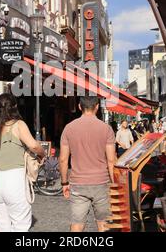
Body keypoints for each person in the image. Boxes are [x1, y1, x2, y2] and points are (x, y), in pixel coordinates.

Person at [0, 93, 46, 232]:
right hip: (14, 178)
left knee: (1, 226)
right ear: (14, 107)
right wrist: (43, 153)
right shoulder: (18, 125)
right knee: (20, 225)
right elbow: (33, 145)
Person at [59, 96, 116, 232]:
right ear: (97, 107)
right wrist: (114, 183)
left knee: (77, 224)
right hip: (101, 182)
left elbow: (63, 159)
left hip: (78, 183)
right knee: (104, 224)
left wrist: (64, 183)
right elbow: (111, 160)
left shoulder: (69, 128)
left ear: (79, 107)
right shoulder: (106, 129)